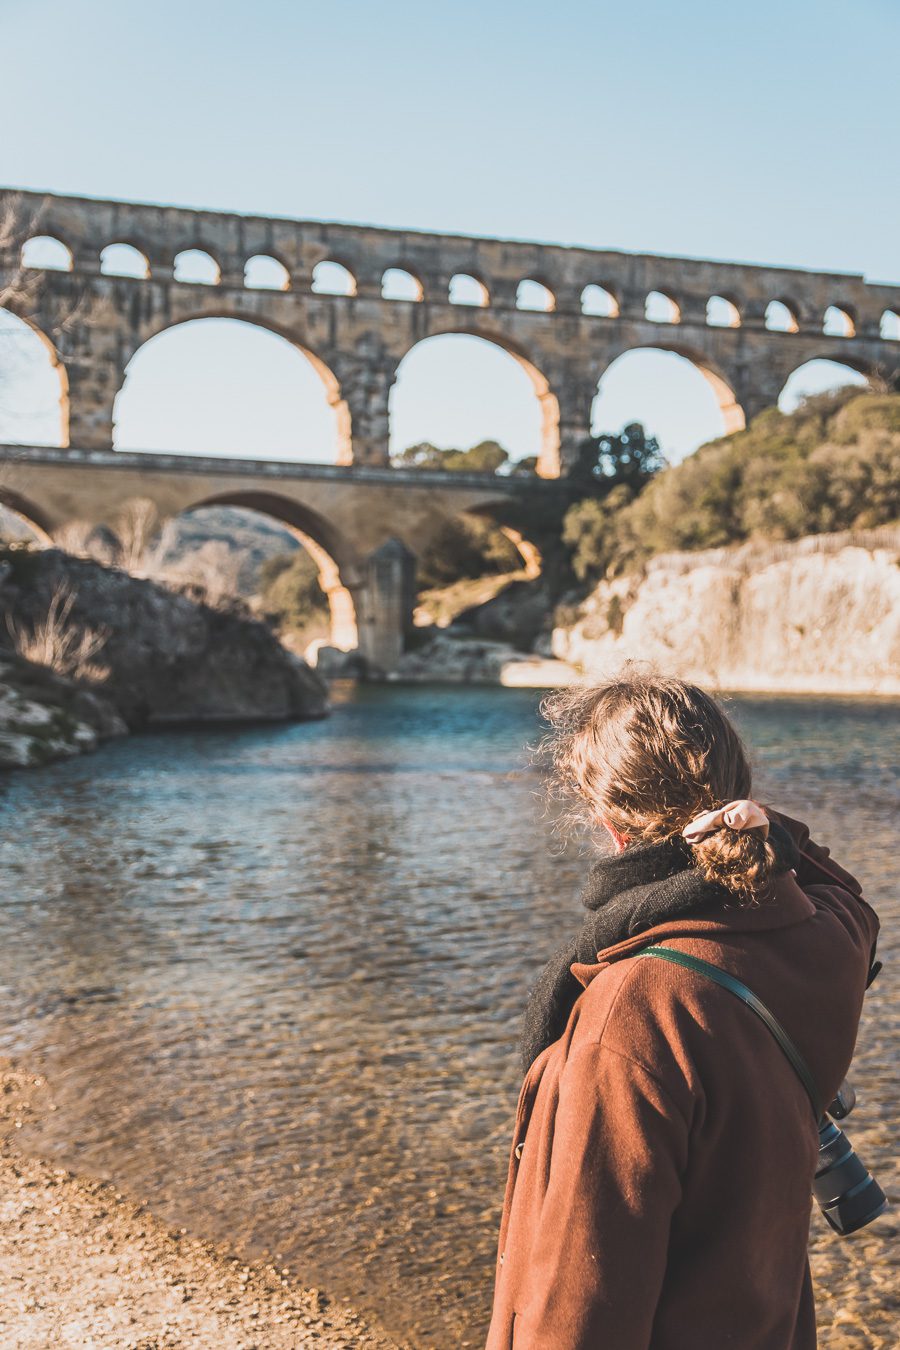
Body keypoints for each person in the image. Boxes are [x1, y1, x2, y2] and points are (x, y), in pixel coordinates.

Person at [486, 674, 880, 1350]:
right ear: (740, 795)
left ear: (608, 822)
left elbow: (579, 1308)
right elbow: (846, 895)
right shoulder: (819, 939)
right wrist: (761, 831)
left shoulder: (629, 1018)